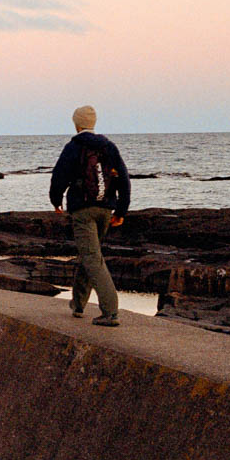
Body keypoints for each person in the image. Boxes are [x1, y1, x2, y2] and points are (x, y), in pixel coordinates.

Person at [50, 105, 131, 326]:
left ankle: (110, 311)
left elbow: (59, 176)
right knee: (90, 255)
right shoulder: (109, 147)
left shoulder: (73, 147)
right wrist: (121, 211)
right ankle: (77, 304)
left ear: (76, 123)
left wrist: (55, 200)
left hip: (83, 211)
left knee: (92, 258)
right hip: (105, 209)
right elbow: (123, 179)